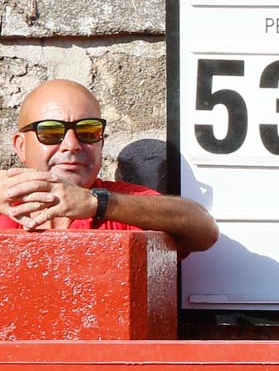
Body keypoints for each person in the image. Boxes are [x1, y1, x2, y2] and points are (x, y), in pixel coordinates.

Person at [0, 79, 217, 253]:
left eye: (87, 131)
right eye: (50, 132)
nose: (71, 145)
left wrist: (98, 204)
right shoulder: (4, 202)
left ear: (101, 142)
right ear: (21, 146)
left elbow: (203, 227)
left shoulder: (121, 206)